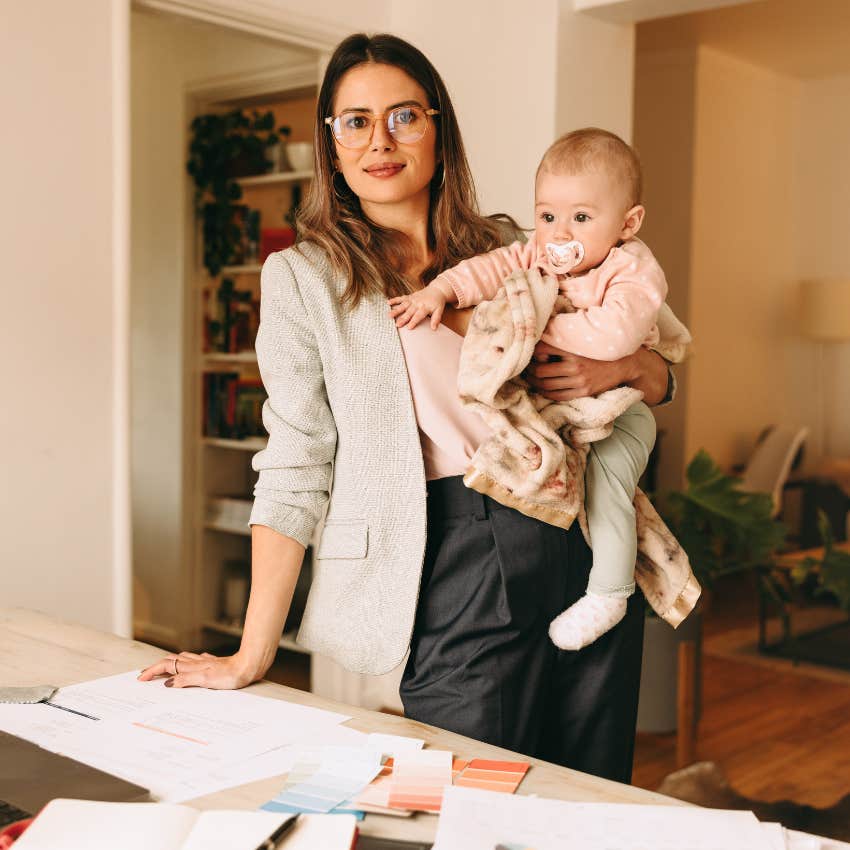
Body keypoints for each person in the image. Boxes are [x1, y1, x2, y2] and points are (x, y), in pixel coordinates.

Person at [139, 32, 674, 783]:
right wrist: (252, 652)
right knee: (470, 796)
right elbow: (295, 462)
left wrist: (629, 367)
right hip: (456, 548)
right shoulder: (304, 279)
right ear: (330, 143)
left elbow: (653, 359)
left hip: (582, 535)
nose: (379, 140)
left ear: (437, 129)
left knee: (589, 789)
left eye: (403, 116)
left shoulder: (515, 247)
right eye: (354, 121)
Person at [387, 128, 691, 651]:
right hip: (546, 441)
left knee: (608, 488)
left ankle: (610, 592)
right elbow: (492, 268)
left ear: (628, 223)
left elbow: (615, 337)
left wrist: (529, 327)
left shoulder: (632, 269)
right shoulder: (536, 255)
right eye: (548, 216)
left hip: (622, 418)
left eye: (580, 217)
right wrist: (441, 290)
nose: (558, 233)